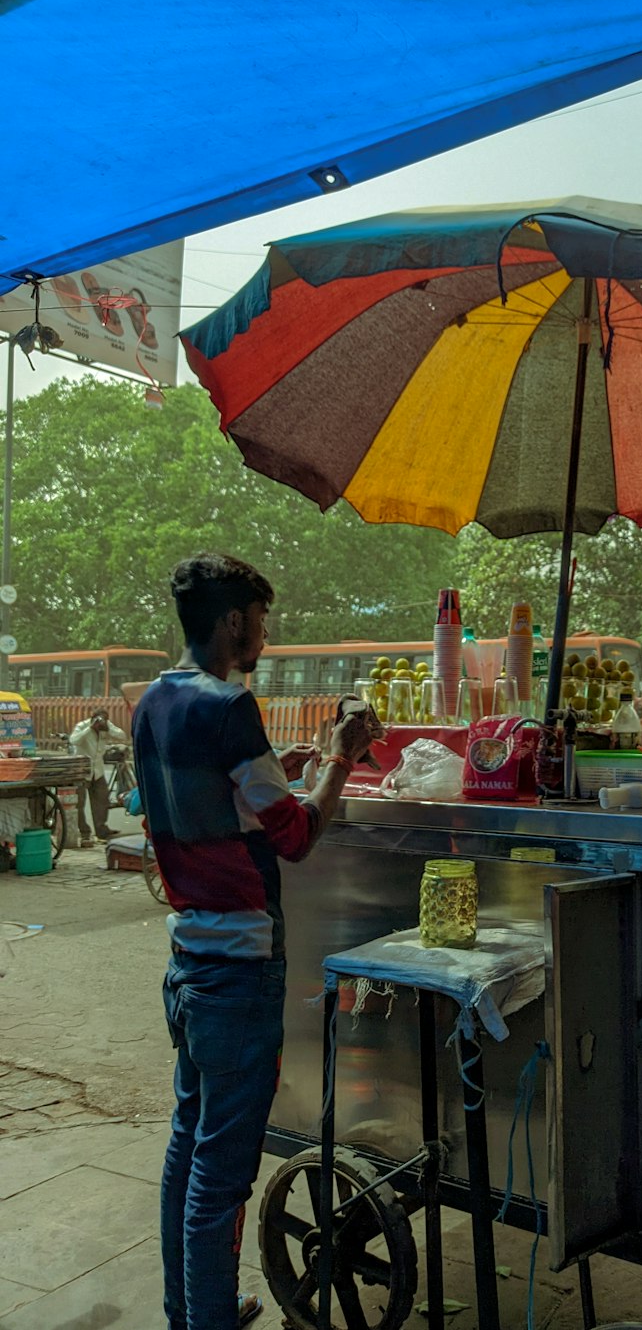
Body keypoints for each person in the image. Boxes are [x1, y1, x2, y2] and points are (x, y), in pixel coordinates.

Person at [132, 553, 376, 1330]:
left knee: (188, 1149)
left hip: (187, 964)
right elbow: (297, 835)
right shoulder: (230, 706)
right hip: (238, 971)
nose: (266, 636)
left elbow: (216, 800)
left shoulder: (153, 703)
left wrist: (279, 772)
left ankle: (189, 1310)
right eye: (262, 620)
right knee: (223, 1172)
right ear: (234, 621)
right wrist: (341, 754)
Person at [69, 706, 128, 845]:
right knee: (79, 804)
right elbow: (74, 740)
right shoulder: (82, 726)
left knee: (102, 800)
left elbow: (122, 735)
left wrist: (108, 727)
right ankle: (84, 833)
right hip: (82, 770)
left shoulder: (106, 726)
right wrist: (90, 728)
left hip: (98, 770)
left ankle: (101, 830)